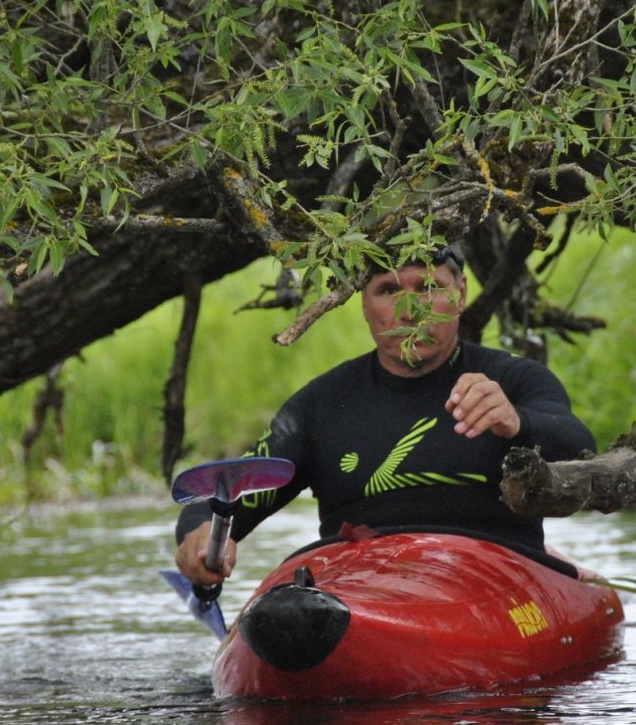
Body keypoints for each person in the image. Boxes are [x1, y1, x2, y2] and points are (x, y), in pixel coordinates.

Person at [174, 245, 595, 586]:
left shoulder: (514, 380)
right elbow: (229, 496)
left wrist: (517, 423)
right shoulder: (321, 404)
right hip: (363, 590)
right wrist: (198, 538)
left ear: (461, 293)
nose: (410, 311)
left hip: (493, 582)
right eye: (389, 290)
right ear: (363, 302)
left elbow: (582, 453)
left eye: (428, 286)